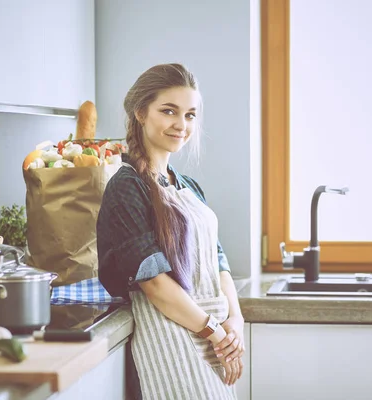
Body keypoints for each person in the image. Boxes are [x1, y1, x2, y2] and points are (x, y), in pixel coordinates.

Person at [97, 63, 245, 399]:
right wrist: (217, 333)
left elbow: (218, 260)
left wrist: (235, 321)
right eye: (169, 111)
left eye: (190, 115)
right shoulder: (127, 186)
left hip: (214, 333)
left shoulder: (186, 185)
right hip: (172, 336)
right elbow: (154, 284)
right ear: (141, 113)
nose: (182, 125)